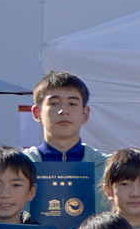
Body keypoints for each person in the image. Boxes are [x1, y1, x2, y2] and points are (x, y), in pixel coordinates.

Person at [30, 71, 110, 201]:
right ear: (37, 113)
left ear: (85, 114)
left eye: (72, 104)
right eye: (54, 103)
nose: (64, 111)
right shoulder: (18, 167)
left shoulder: (108, 168)